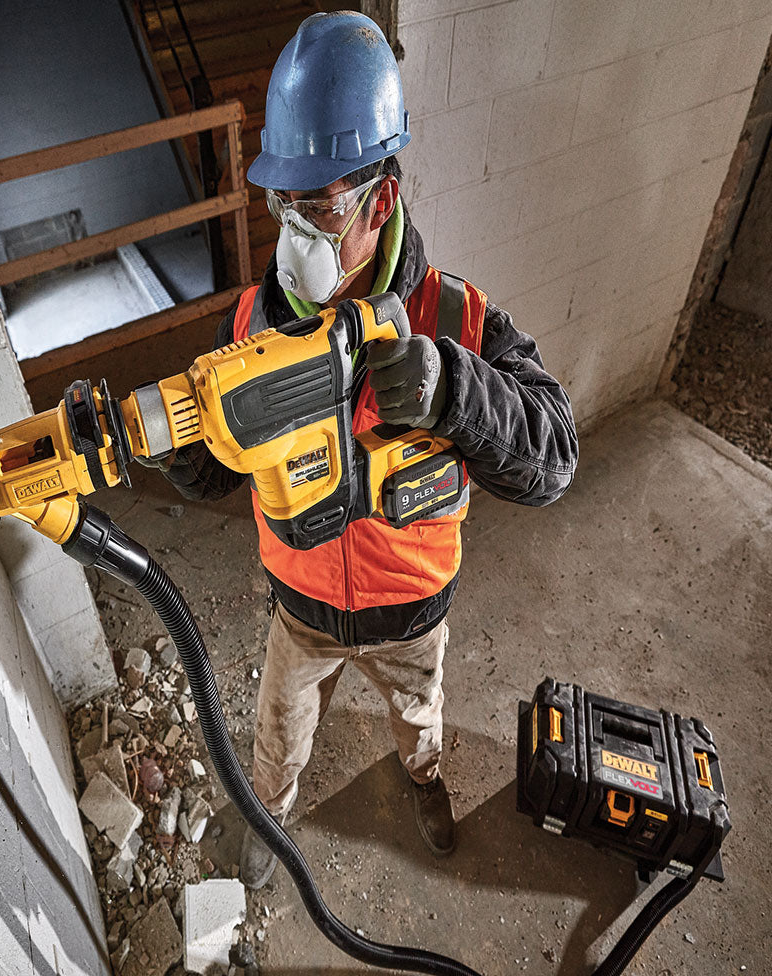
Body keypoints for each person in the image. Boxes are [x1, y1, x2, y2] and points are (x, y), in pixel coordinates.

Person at [141, 11, 578, 888]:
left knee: (419, 717)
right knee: (277, 740)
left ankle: (423, 780)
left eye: (320, 208)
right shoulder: (253, 327)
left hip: (412, 614)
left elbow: (554, 457)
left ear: (381, 201)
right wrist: (173, 445)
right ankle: (268, 823)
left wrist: (457, 391)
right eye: (284, 205)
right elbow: (216, 472)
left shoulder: (455, 318)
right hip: (301, 615)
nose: (294, 234)